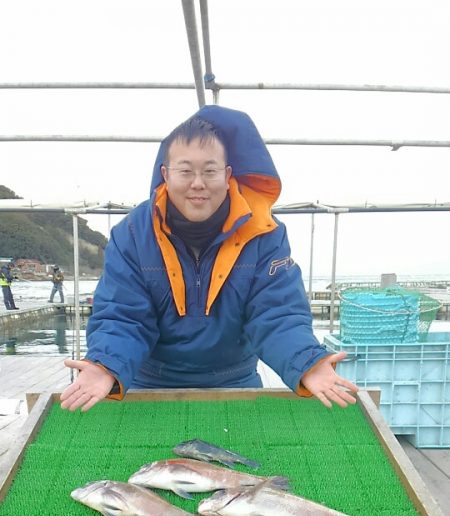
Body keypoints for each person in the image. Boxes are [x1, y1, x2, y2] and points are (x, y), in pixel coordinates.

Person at [61, 105, 358, 413]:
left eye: (210, 171)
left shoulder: (265, 233)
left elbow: (277, 313)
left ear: (228, 175)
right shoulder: (133, 233)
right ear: (166, 174)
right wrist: (105, 363)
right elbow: (123, 315)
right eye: (185, 171)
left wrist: (307, 361)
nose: (198, 183)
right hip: (149, 384)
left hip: (235, 382)